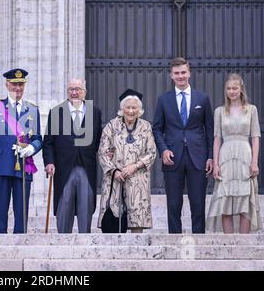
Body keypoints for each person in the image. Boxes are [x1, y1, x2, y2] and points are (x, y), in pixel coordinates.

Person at [0, 68, 42, 234]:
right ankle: (0, 243)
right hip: (1, 164)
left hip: (23, 165)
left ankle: (20, 243)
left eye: (20, 84)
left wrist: (31, 149)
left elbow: (38, 138)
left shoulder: (32, 109)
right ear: (7, 84)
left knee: (21, 211)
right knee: (0, 209)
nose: (17, 88)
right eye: (14, 84)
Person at [152, 57, 214, 234]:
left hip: (198, 157)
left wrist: (210, 156)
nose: (180, 76)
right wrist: (163, 149)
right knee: (173, 203)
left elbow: (209, 130)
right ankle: (174, 242)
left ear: (189, 73)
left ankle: (200, 242)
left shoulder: (202, 98)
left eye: (183, 72)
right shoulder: (164, 100)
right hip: (172, 157)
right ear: (171, 75)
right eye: (177, 73)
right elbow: (157, 129)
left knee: (198, 202)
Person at [42, 78, 102, 233]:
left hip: (86, 167)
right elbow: (48, 142)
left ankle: (85, 240)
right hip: (63, 168)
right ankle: (62, 241)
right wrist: (49, 162)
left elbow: (99, 140)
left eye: (78, 89)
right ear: (67, 92)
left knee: (86, 205)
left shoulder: (94, 112)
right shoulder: (56, 112)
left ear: (84, 92)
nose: (74, 92)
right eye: (71, 89)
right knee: (64, 205)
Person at [206, 74, 261, 233]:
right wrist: (216, 164)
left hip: (245, 155)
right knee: (225, 200)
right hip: (226, 157)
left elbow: (255, 137)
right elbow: (217, 139)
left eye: (235, 88)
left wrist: (254, 162)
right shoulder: (220, 111)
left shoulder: (251, 110)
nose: (232, 91)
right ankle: (228, 242)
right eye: (229, 88)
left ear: (241, 89)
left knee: (245, 199)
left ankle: (244, 242)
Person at [97, 89, 156, 233]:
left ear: (139, 109)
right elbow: (103, 151)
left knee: (137, 221)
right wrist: (114, 171)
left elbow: (152, 152)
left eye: (134, 107)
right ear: (122, 109)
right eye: (127, 107)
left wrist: (134, 167)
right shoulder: (111, 126)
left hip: (138, 180)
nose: (131, 111)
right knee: (114, 221)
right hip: (115, 179)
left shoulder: (145, 126)